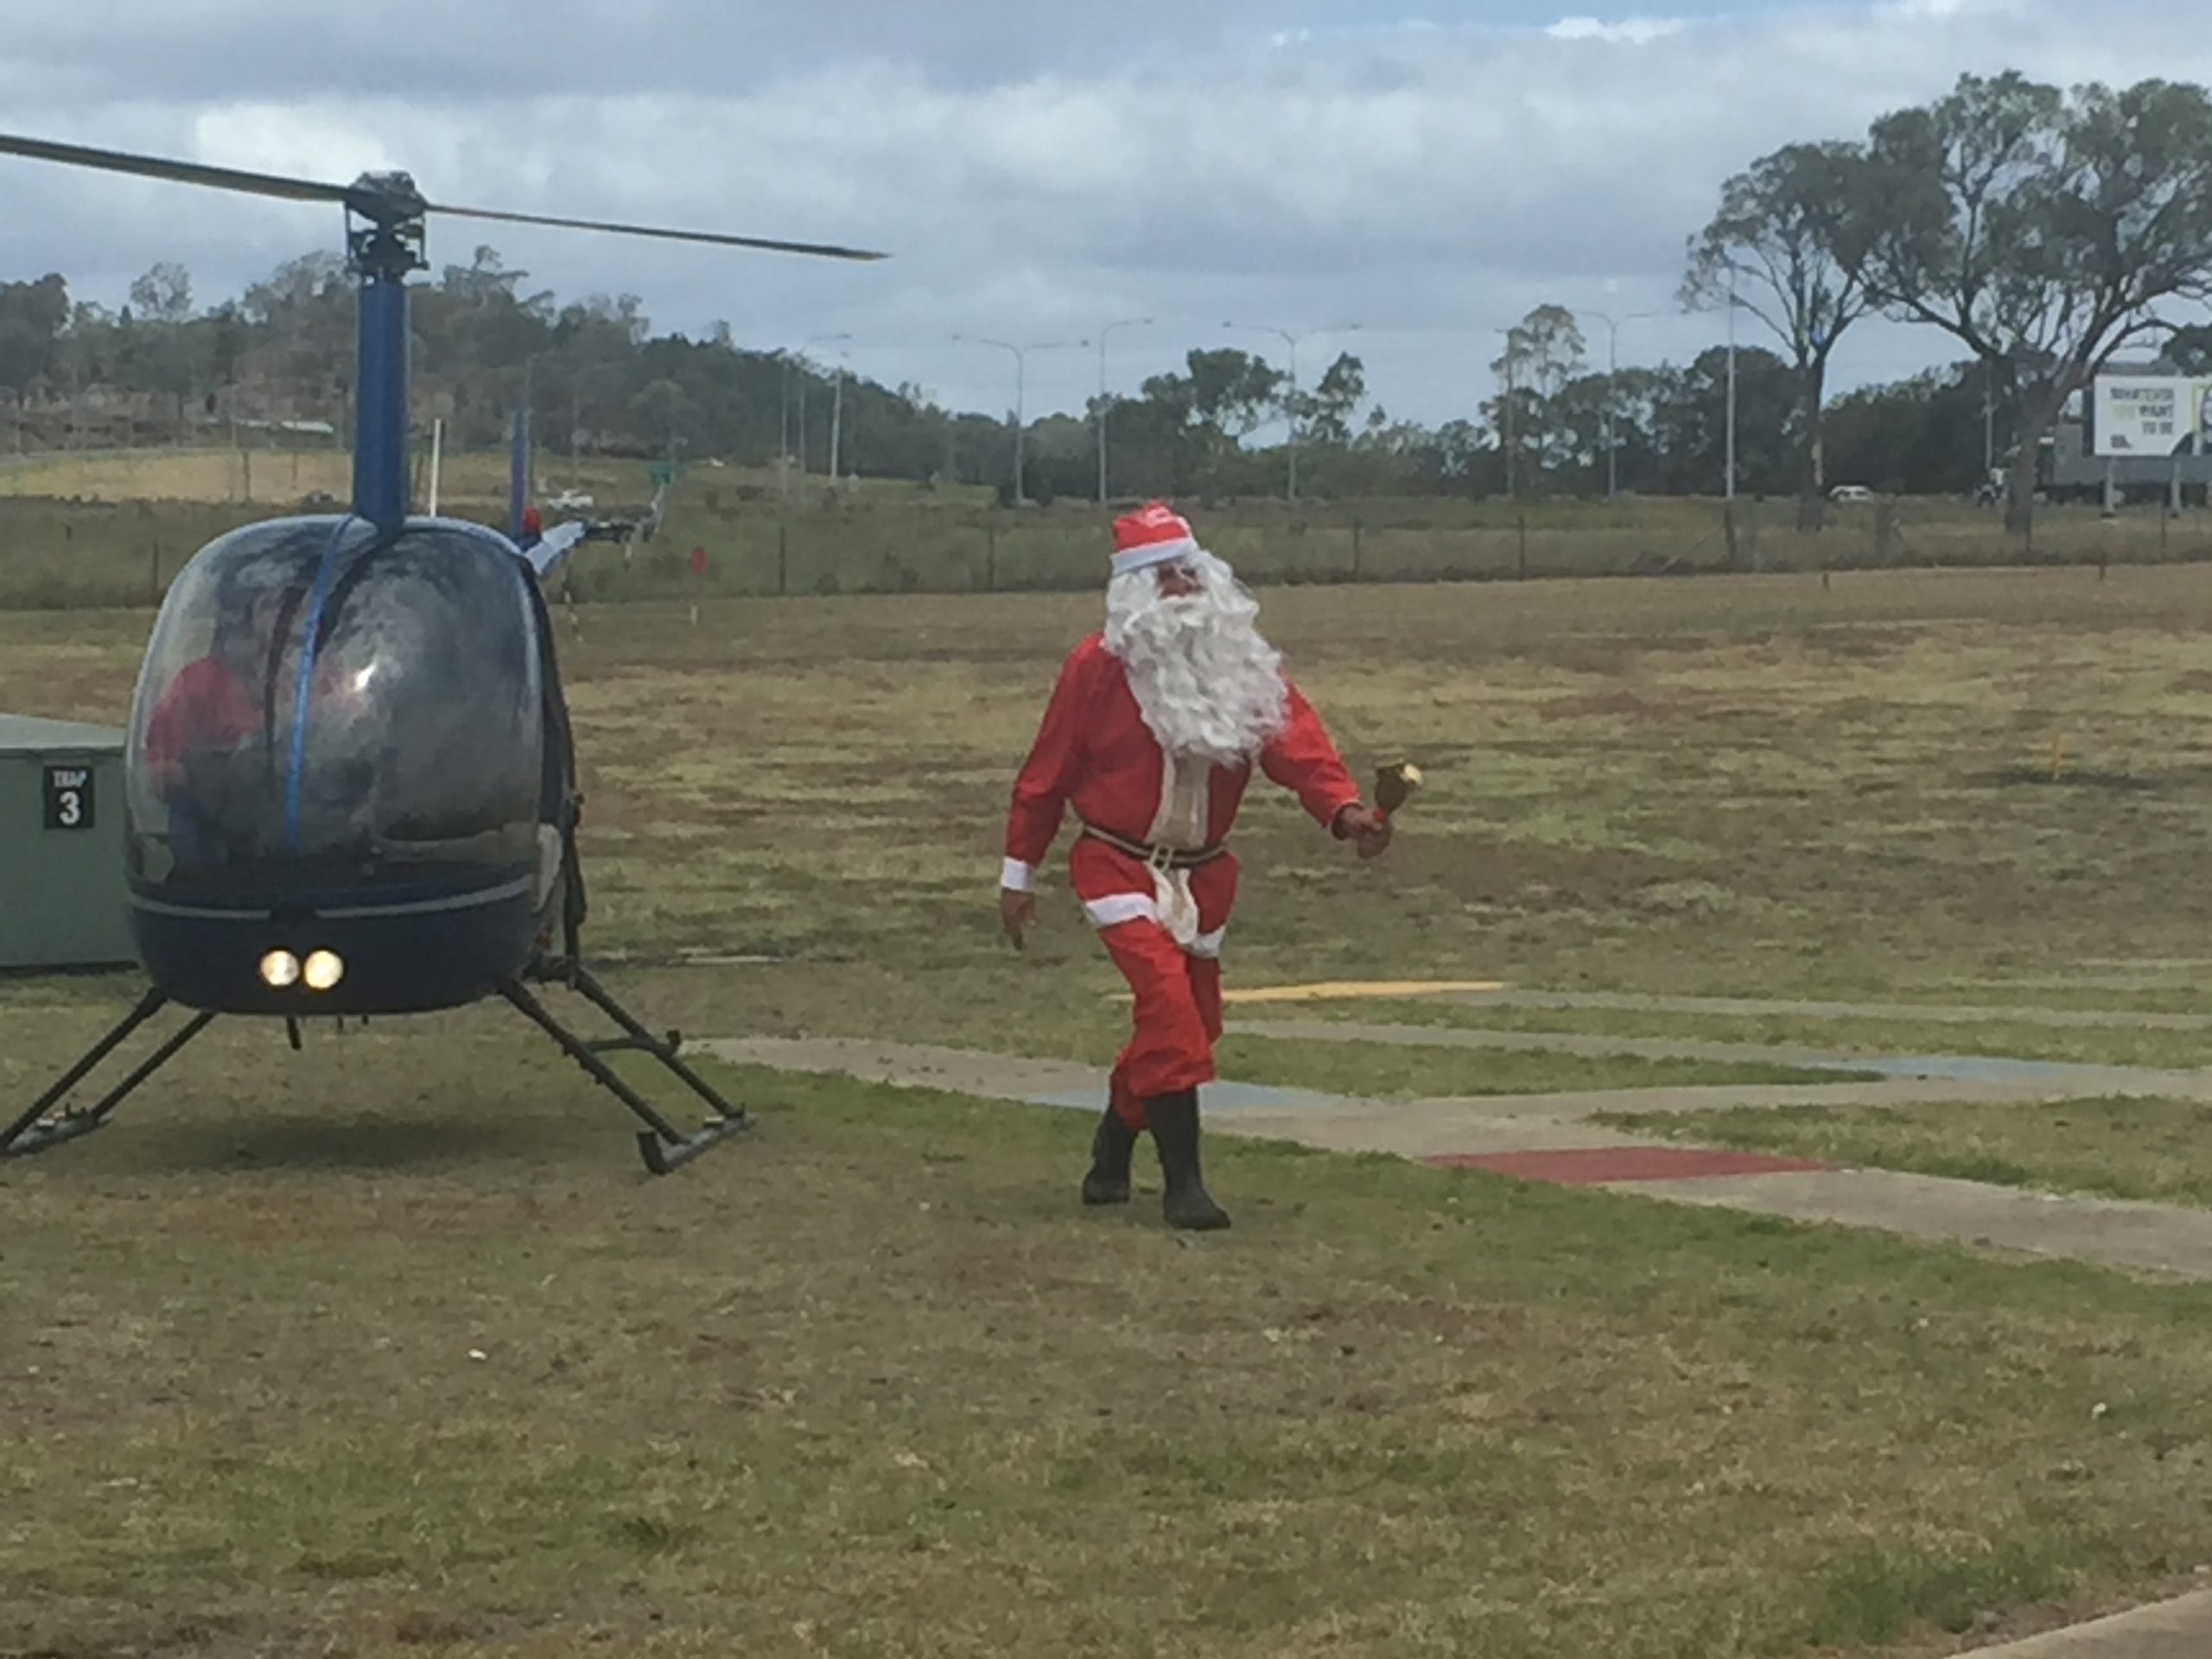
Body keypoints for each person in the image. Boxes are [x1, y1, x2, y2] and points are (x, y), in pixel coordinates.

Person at [1000, 501, 1393, 1230]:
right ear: (1132, 592)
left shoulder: (1239, 661)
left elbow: (1294, 743)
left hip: (1205, 874)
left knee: (1192, 1025)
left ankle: (1116, 1136)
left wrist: (1344, 812)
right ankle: (1186, 1186)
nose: (1181, 587)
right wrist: (1018, 874)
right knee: (1170, 1009)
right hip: (1115, 865)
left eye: (1189, 570)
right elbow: (1046, 774)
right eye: (1162, 575)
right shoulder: (1095, 668)